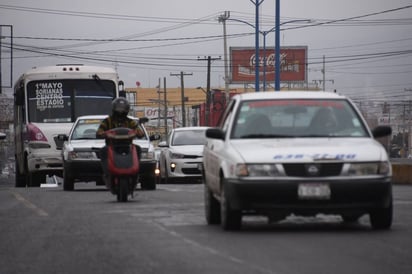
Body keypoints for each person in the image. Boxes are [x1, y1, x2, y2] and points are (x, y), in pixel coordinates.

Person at [96, 97, 145, 177]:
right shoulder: (107, 121)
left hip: (127, 147)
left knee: (138, 149)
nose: (120, 111)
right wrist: (103, 133)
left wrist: (138, 132)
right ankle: (106, 173)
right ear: (114, 108)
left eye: (123, 108)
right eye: (118, 108)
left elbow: (139, 132)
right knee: (103, 150)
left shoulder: (130, 121)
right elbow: (99, 131)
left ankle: (136, 173)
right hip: (111, 146)